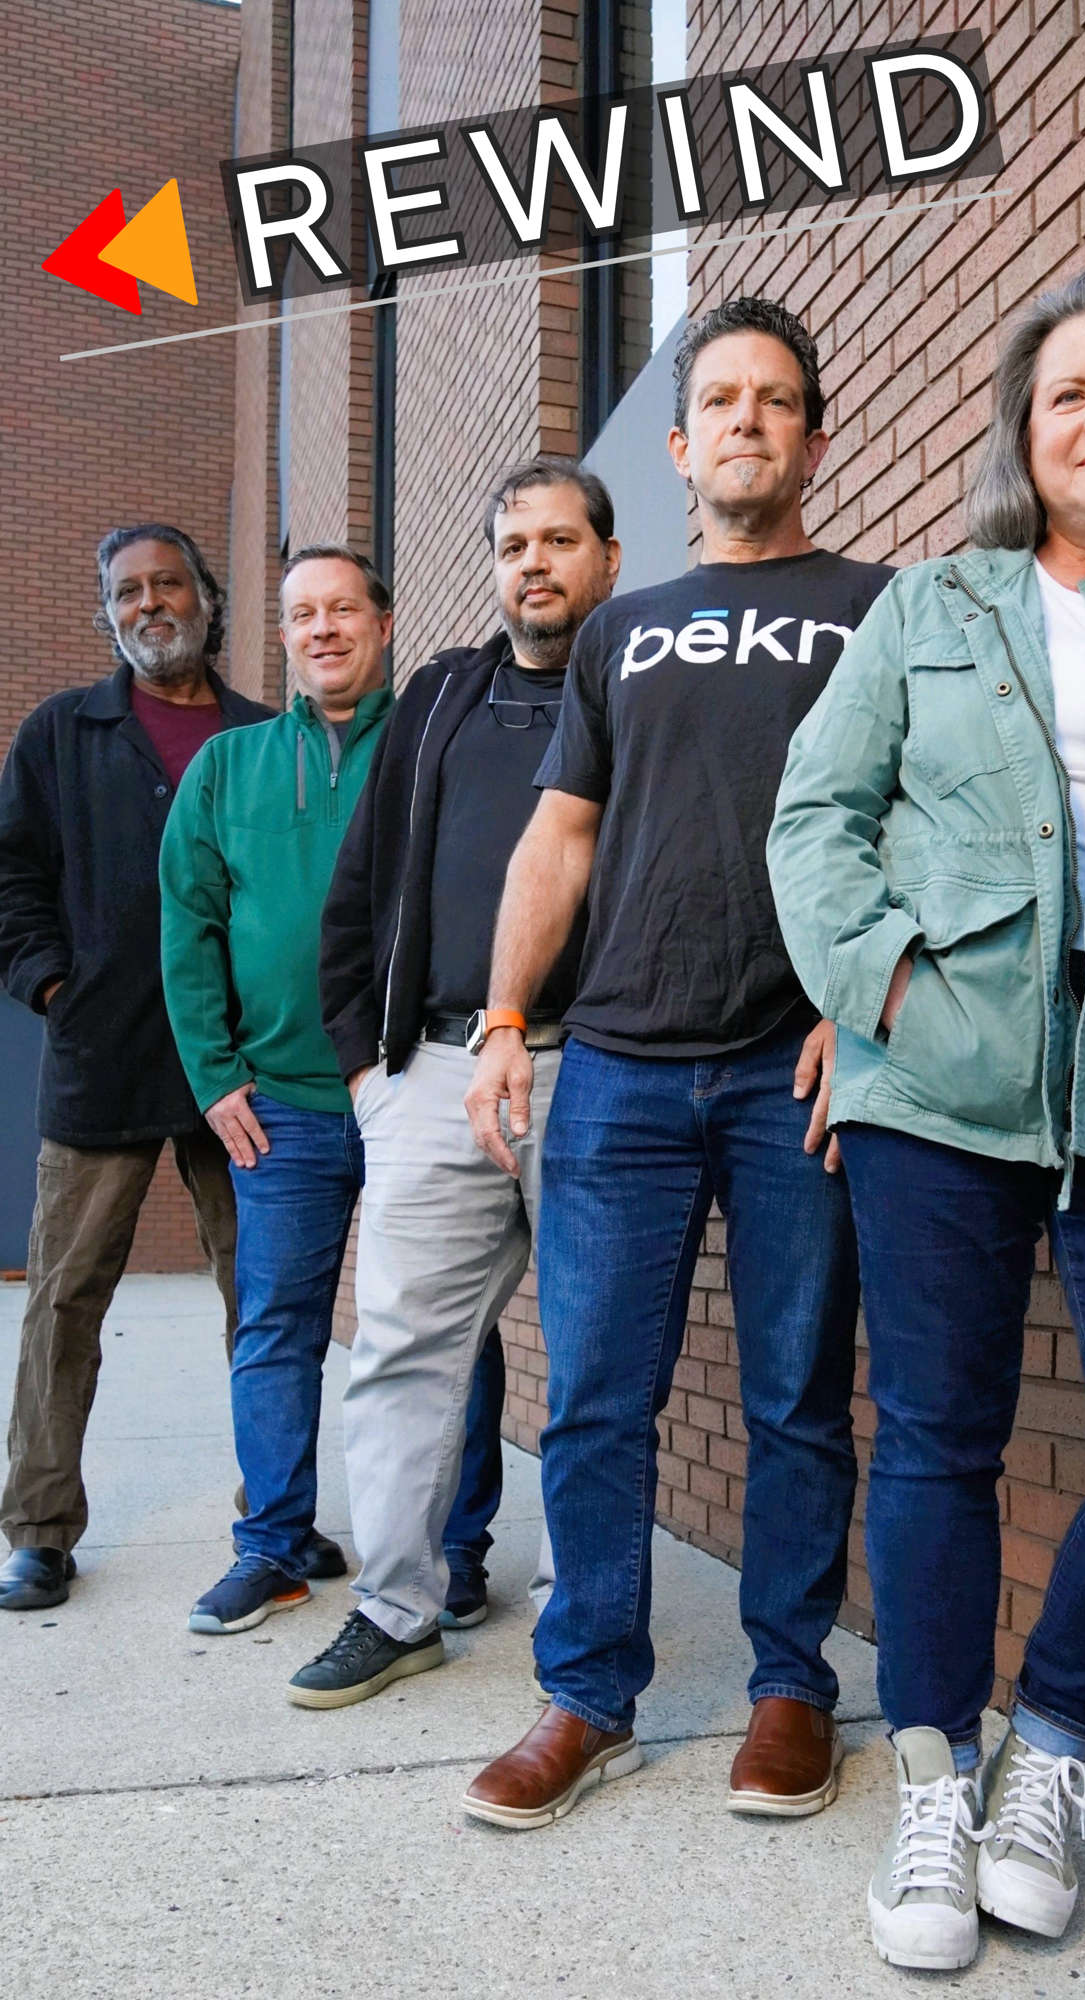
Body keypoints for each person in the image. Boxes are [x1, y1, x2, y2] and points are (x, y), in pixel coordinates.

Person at [767, 266, 1085, 1971]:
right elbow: (813, 823)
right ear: (1020, 426)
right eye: (1068, 392)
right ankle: (931, 1771)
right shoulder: (929, 603)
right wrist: (886, 994)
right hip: (939, 1090)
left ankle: (1046, 1747)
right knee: (933, 1431)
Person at [461, 298, 892, 1831]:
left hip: (794, 1068)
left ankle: (789, 1685)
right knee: (592, 1399)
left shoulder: (879, 608)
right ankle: (586, 1694)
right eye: (722, 401)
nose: (748, 422)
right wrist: (507, 1020)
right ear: (678, 444)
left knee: (792, 1398)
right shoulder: (619, 634)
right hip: (623, 1074)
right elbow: (559, 835)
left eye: (777, 400)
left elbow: (920, 821)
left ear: (813, 438)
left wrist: (865, 996)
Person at [288, 457, 620, 1709]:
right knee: (401, 1349)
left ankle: (589, 1619)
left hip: (595, 1065)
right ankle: (395, 1602)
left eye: (557, 540)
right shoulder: (438, 697)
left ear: (607, 560)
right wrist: (365, 1061)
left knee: (597, 1363)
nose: (532, 562)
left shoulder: (636, 686)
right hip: (428, 1066)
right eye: (512, 544)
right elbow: (364, 879)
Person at [0, 525, 271, 1611]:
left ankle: (277, 1514)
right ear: (105, 611)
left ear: (209, 597)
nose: (151, 602)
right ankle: (38, 1526)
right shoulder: (63, 732)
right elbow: (12, 876)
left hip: (238, 1065)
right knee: (64, 1297)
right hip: (101, 1055)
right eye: (128, 590)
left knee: (263, 1296)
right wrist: (52, 987)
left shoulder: (264, 735)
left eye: (169, 583)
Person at [159, 545, 395, 1633]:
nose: (324, 628)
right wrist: (216, 1077)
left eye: (343, 608)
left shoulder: (426, 746)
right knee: (276, 1327)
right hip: (283, 1105)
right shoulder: (227, 765)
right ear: (285, 635)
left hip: (407, 1089)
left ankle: (456, 1544)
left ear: (379, 624)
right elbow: (189, 927)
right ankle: (277, 1543)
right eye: (303, 613)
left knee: (441, 1326)